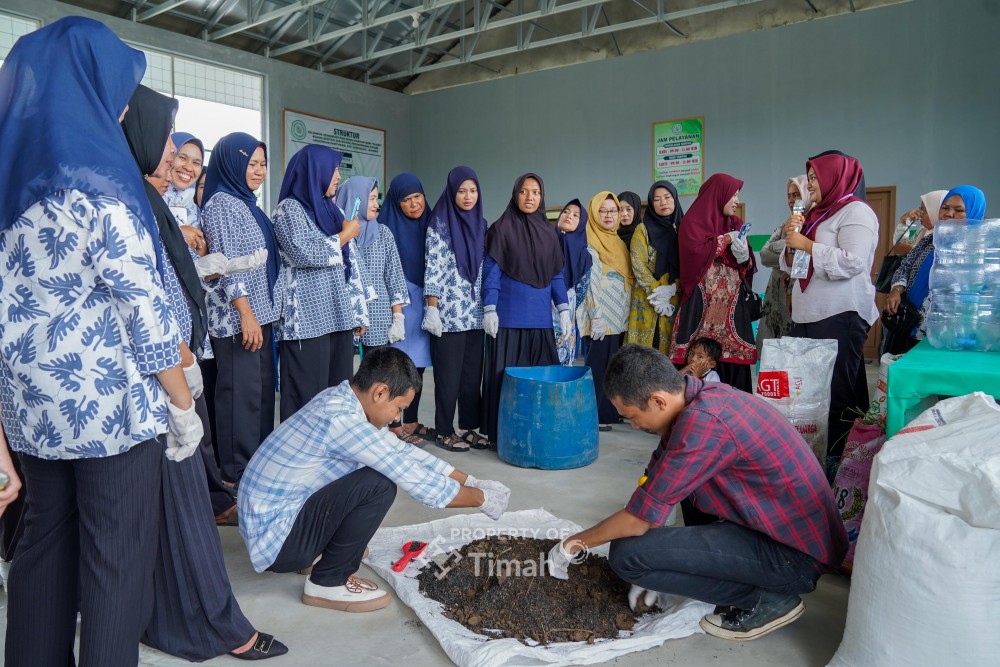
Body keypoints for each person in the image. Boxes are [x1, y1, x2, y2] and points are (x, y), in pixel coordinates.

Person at [0, 18, 200, 666]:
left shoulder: (6, 185)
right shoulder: (103, 183)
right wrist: (182, 404)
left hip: (33, 415)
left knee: (41, 556)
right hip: (113, 415)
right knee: (115, 567)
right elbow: (145, 310)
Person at [121, 84, 287, 662]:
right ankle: (218, 627)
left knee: (155, 519)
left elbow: (169, 280)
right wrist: (183, 373)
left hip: (164, 376)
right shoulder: (131, 202)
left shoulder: (147, 199)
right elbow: (145, 304)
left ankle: (166, 618)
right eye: (169, 143)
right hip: (159, 386)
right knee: (187, 511)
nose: (176, 157)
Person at [546, 344, 847, 642]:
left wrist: (572, 544)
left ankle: (763, 598)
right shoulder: (699, 401)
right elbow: (652, 484)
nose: (635, 426)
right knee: (651, 533)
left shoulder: (704, 423)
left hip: (795, 558)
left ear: (658, 401)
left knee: (628, 555)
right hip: (778, 535)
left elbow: (639, 520)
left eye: (632, 416)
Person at [238, 346, 511, 612]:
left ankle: (317, 555)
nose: (396, 417)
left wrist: (472, 481)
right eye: (398, 408)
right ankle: (327, 583)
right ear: (380, 392)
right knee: (378, 484)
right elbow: (419, 483)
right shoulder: (344, 421)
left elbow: (401, 450)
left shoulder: (341, 399)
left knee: (370, 471)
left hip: (275, 524)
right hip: (277, 542)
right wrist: (484, 499)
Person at [781, 153, 878, 463]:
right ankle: (815, 458)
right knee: (810, 393)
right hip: (807, 312)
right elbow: (794, 268)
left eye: (815, 177)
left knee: (838, 393)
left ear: (835, 176)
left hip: (840, 312)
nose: (810, 184)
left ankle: (841, 464)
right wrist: (790, 239)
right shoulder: (815, 214)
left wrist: (806, 244)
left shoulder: (855, 212)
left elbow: (852, 261)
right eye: (808, 178)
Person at [202, 131, 282, 487]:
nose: (259, 171)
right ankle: (235, 478)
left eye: (263, 164)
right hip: (236, 319)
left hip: (258, 316)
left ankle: (256, 470)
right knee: (239, 398)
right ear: (232, 163)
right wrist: (245, 314)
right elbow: (226, 262)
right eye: (251, 163)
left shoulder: (247, 203)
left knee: (260, 397)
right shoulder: (221, 204)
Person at [271, 144, 368, 423]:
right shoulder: (288, 210)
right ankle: (300, 463)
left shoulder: (330, 210)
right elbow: (304, 253)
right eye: (333, 170)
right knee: (307, 400)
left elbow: (348, 265)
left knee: (338, 396)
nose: (337, 177)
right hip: (306, 322)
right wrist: (344, 236)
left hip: (337, 316)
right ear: (315, 172)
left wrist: (356, 311)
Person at [481, 173, 569, 447]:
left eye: (535, 192)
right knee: (506, 382)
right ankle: (503, 436)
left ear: (541, 197)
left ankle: (542, 434)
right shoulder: (501, 228)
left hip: (541, 322)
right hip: (508, 320)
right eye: (524, 191)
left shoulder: (550, 232)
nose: (530, 197)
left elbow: (555, 274)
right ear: (515, 194)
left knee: (543, 382)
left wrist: (564, 308)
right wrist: (490, 307)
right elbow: (492, 271)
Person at [422, 167, 488, 452]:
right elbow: (433, 269)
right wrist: (432, 308)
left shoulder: (481, 225)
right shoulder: (439, 225)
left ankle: (468, 427)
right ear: (452, 192)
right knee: (448, 377)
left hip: (475, 314)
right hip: (448, 316)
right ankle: (445, 429)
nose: (468, 196)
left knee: (473, 376)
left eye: (473, 191)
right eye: (462, 191)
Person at [671, 174, 757, 392]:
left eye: (738, 195)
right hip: (702, 304)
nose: (736, 200)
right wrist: (726, 239)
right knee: (698, 351)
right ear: (719, 195)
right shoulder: (693, 222)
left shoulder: (736, 223)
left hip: (731, 306)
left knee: (731, 357)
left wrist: (744, 254)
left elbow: (746, 265)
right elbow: (693, 254)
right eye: (733, 195)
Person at [885, 185, 987, 353]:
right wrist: (896, 290)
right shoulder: (930, 240)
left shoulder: (979, 251)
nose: (949, 214)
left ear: (974, 213)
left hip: (949, 335)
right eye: (945, 208)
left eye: (959, 210)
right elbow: (906, 265)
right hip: (910, 323)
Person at [382, 173, 435, 445]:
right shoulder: (385, 226)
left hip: (426, 302)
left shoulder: (434, 224)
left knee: (420, 365)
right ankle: (393, 424)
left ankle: (412, 420)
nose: (414, 204)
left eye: (417, 197)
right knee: (397, 366)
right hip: (399, 303)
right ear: (396, 202)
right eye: (406, 200)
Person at [578, 192, 634, 429]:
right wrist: (596, 315)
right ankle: (592, 414)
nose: (609, 215)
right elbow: (590, 282)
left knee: (613, 367)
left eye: (613, 211)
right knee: (597, 367)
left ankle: (609, 411)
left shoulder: (618, 242)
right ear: (594, 212)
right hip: (600, 317)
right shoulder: (589, 240)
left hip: (618, 317)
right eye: (603, 210)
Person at [336, 176, 408, 351]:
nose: (377, 204)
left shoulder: (384, 233)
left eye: (377, 198)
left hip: (379, 316)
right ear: (355, 199)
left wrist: (398, 317)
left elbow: (394, 276)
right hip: (346, 315)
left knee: (377, 374)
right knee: (344, 374)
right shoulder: (337, 235)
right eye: (371, 199)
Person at [756, 176, 810, 357]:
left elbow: (801, 260)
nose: (792, 200)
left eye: (797, 195)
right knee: (773, 362)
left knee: (795, 359)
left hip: (798, 304)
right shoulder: (783, 227)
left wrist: (784, 245)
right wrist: (789, 241)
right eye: (789, 196)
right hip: (775, 304)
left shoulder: (813, 227)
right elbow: (764, 256)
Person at [627, 181, 683, 354]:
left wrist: (674, 288)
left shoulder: (684, 229)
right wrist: (657, 293)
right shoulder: (642, 230)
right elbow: (638, 264)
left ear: (675, 199)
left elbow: (690, 265)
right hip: (647, 298)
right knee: (644, 355)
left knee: (668, 354)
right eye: (657, 199)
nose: (663, 202)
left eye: (667, 197)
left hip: (675, 297)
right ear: (651, 204)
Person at [553, 199, 592, 366]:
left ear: (582, 223)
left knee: (561, 363)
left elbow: (581, 291)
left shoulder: (585, 256)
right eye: (566, 211)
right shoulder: (545, 242)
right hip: (538, 308)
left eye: (576, 215)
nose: (569, 216)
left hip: (566, 311)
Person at [890, 190, 948, 255]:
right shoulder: (922, 231)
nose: (920, 214)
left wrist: (912, 250)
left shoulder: (946, 236)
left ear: (935, 211)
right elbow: (900, 245)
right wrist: (903, 221)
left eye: (923, 210)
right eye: (920, 209)